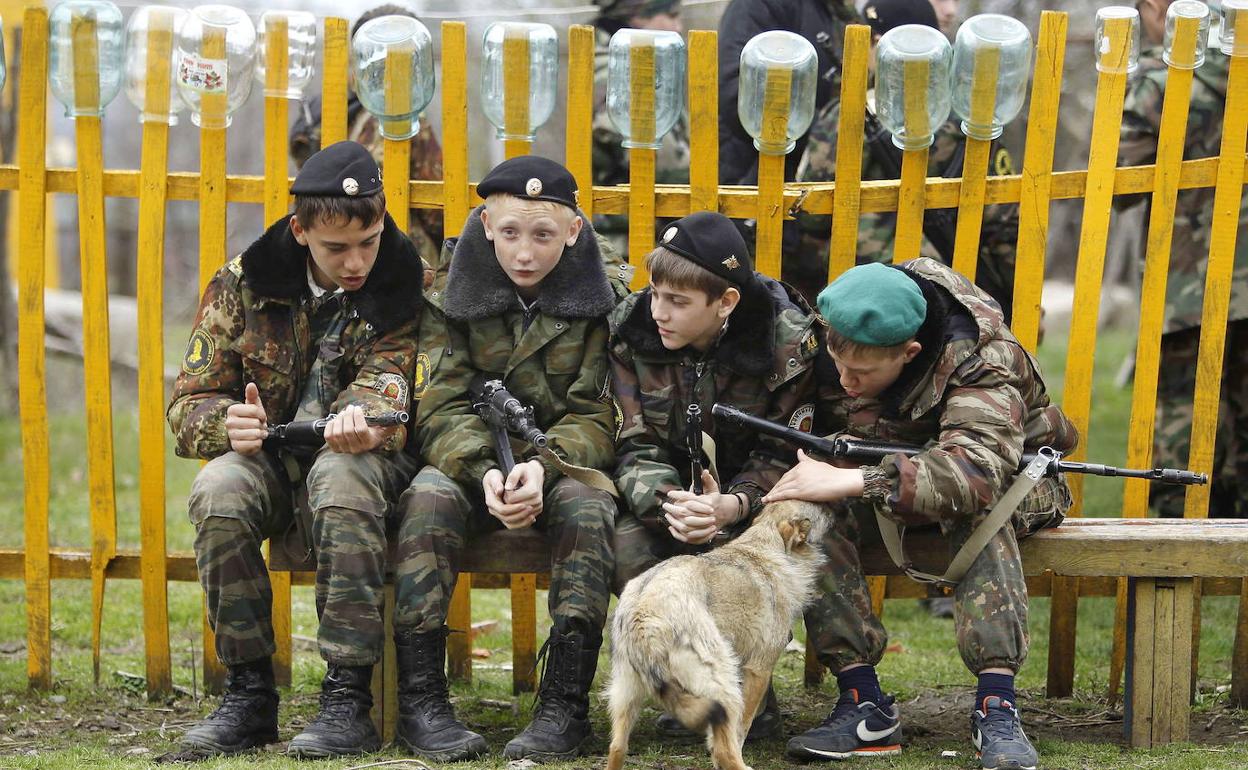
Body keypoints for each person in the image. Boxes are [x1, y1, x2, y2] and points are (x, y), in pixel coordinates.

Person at [167, 141, 427, 758]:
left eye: (368, 240)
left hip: (366, 463)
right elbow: (187, 403)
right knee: (220, 489)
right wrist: (227, 423)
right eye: (337, 248)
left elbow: (396, 387)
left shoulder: (405, 283)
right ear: (300, 231)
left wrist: (363, 422)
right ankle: (250, 694)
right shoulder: (244, 284)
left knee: (341, 475)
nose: (357, 261)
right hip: (272, 462)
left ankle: (346, 698)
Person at [768, 259, 1077, 768]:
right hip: (892, 475)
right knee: (809, 513)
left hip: (1014, 481)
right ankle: (861, 702)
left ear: (910, 353)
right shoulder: (837, 326)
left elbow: (975, 473)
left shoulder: (981, 360)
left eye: (862, 373)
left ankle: (996, 704)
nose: (844, 380)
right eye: (837, 363)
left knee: (982, 515)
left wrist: (856, 479)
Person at [394, 156, 625, 762]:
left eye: (544, 235)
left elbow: (600, 414)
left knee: (589, 503)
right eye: (510, 233)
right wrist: (484, 469)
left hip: (561, 459)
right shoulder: (448, 294)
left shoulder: (606, 298)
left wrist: (544, 467)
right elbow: (438, 404)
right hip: (471, 457)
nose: (525, 252)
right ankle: (422, 701)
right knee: (427, 497)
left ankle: (564, 706)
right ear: (486, 224)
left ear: (574, 232)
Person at [609, 210, 822, 739]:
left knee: (798, 540)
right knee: (624, 544)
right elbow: (631, 440)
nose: (658, 311)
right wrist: (670, 502)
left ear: (726, 302)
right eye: (655, 293)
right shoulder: (630, 333)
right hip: (673, 499)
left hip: (758, 501)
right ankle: (696, 684)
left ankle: (755, 695)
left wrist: (736, 504)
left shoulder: (787, 347)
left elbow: (786, 449)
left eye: (678, 302)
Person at [793, 0, 1019, 319]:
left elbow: (812, 212)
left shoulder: (852, 114)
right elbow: (1005, 222)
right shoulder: (972, 117)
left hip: (867, 297)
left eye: (873, 40)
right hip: (965, 293)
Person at [1118, 0, 1248, 518]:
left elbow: (1120, 181)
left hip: (1188, 281)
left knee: (1181, 404)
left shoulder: (1162, 77)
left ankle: (1177, 521)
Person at [289, 4, 445, 264]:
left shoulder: (334, 111)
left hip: (335, 253)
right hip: (394, 255)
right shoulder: (398, 118)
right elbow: (438, 214)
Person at [717, 0, 861, 188]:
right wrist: (823, 128)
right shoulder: (759, 5)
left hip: (815, 176)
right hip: (755, 172)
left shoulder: (835, 9)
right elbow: (736, 91)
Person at [591, 0, 691, 256]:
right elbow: (666, 162)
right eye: (670, 15)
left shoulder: (645, 64)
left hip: (649, 228)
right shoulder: (613, 66)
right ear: (637, 17)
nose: (678, 26)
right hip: (620, 239)